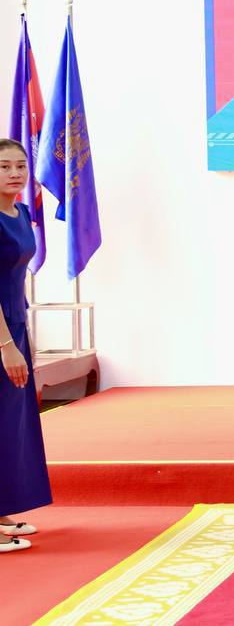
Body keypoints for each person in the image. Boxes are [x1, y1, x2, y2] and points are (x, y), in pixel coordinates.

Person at [0, 139, 49, 554]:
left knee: (11, 423)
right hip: (0, 332)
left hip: (15, 323)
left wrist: (22, 337)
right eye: (4, 167)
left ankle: (3, 511)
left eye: (20, 165)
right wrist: (5, 344)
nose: (14, 173)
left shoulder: (22, 213)